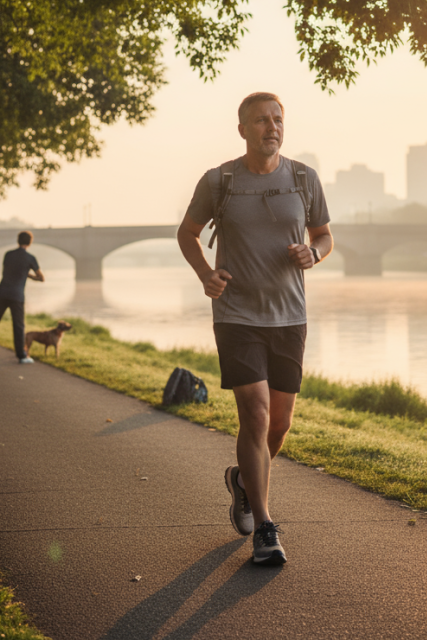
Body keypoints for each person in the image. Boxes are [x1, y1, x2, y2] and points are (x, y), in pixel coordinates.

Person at [177, 91, 332, 566]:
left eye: (278, 119)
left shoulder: (304, 178)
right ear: (242, 129)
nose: (272, 127)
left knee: (280, 423)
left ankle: (244, 481)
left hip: (290, 315)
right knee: (257, 413)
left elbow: (323, 236)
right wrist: (206, 274)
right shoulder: (219, 180)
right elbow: (187, 233)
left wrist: (315, 253)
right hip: (237, 315)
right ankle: (265, 526)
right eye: (262, 121)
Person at [0, 231, 44, 364]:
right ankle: (22, 356)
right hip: (17, 296)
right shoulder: (30, 258)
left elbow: (8, 270)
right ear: (30, 242)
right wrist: (28, 274)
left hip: (2, 293)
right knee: (18, 326)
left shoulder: (8, 255)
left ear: (17, 240)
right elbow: (41, 278)